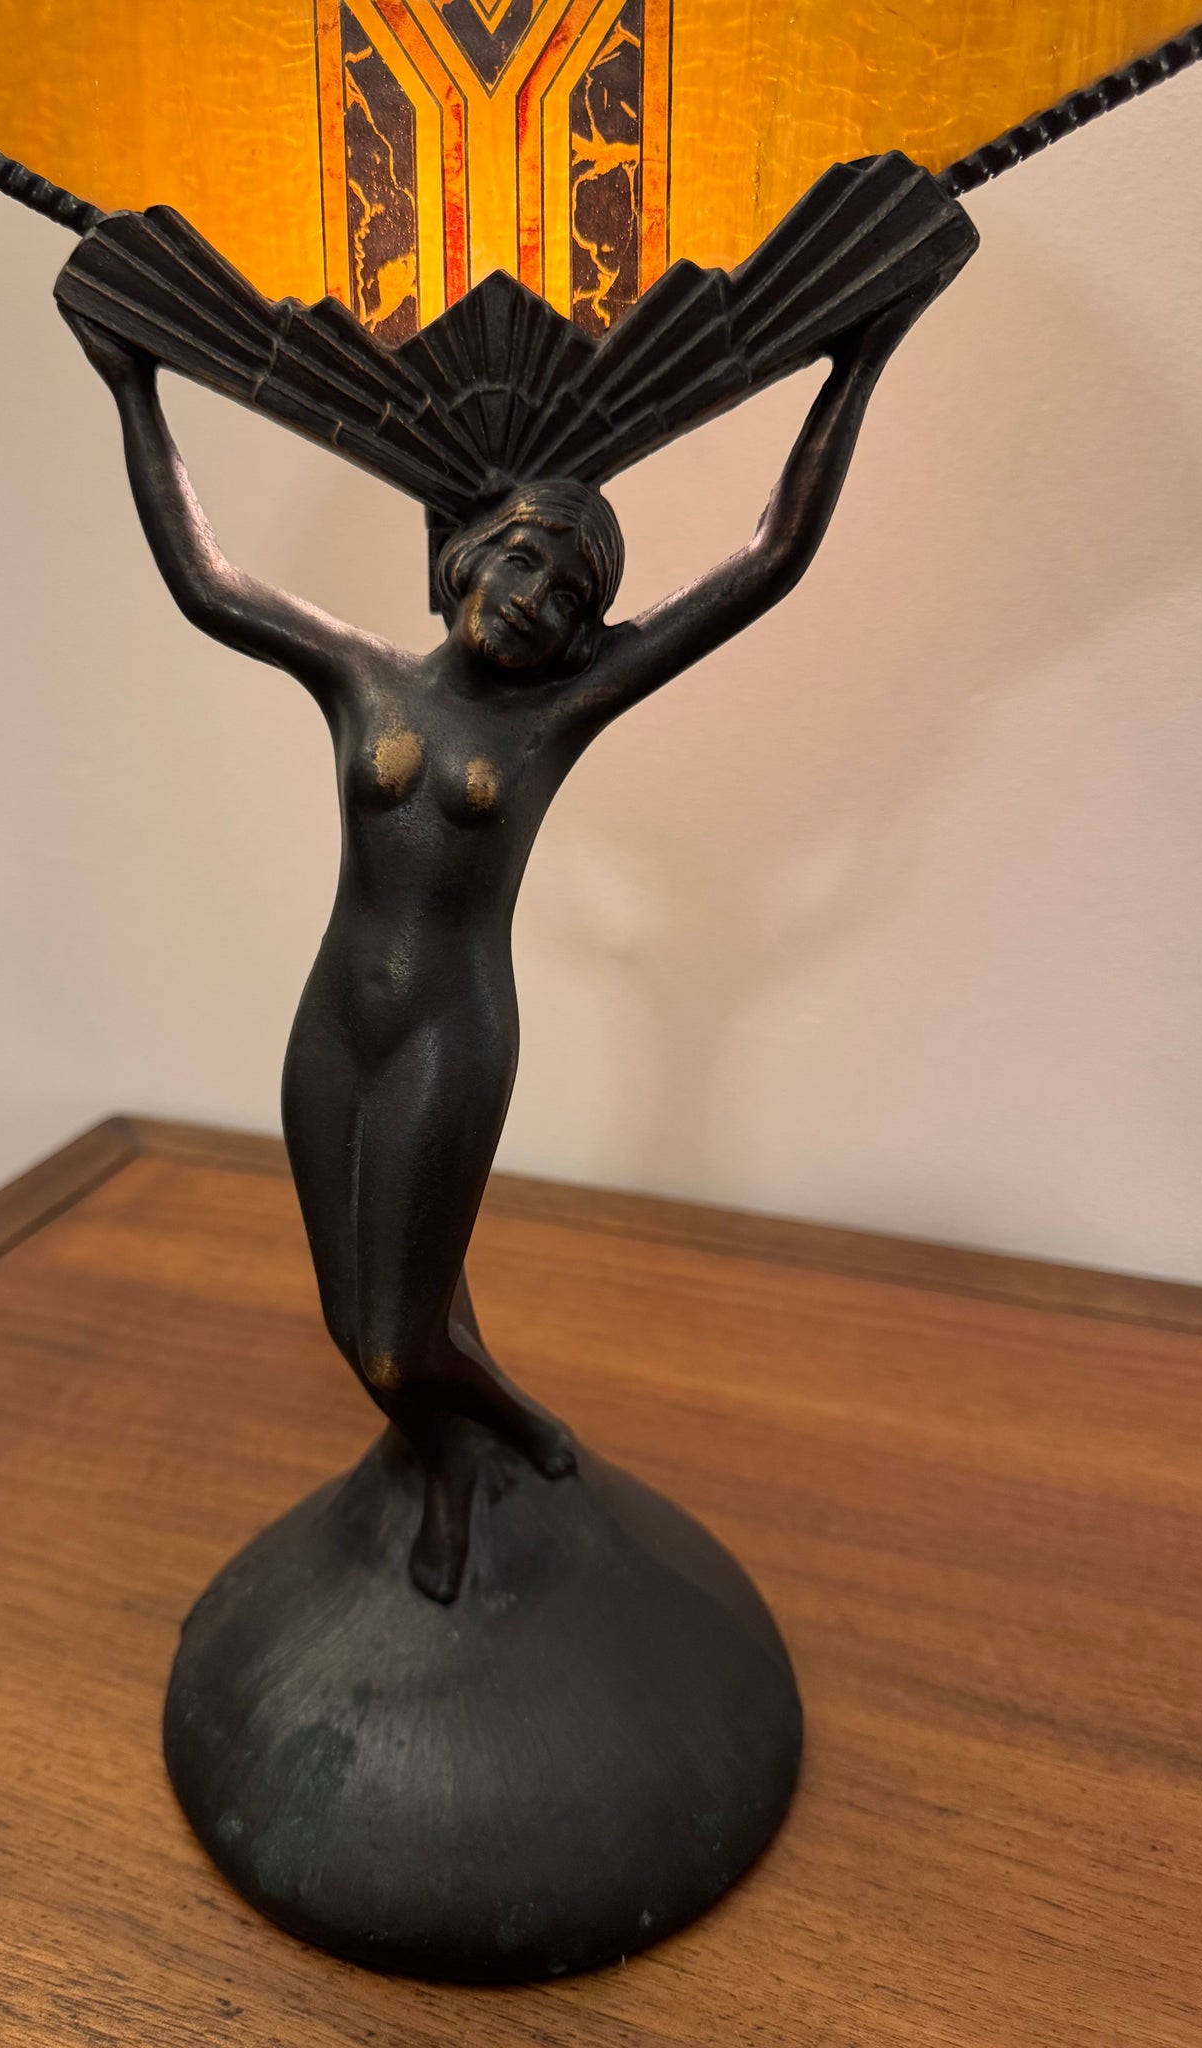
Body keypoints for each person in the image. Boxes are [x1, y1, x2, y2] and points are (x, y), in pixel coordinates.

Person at [68, 291, 927, 1600]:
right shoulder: (361, 675)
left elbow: (768, 559)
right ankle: (458, 1455)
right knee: (353, 1317)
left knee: (395, 1343)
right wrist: (133, 383)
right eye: (525, 562)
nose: (538, 606)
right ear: (467, 556)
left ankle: (497, 1436)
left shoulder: (557, 713)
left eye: (574, 600)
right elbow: (208, 580)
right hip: (332, 1023)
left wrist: (858, 354)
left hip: (448, 1036)